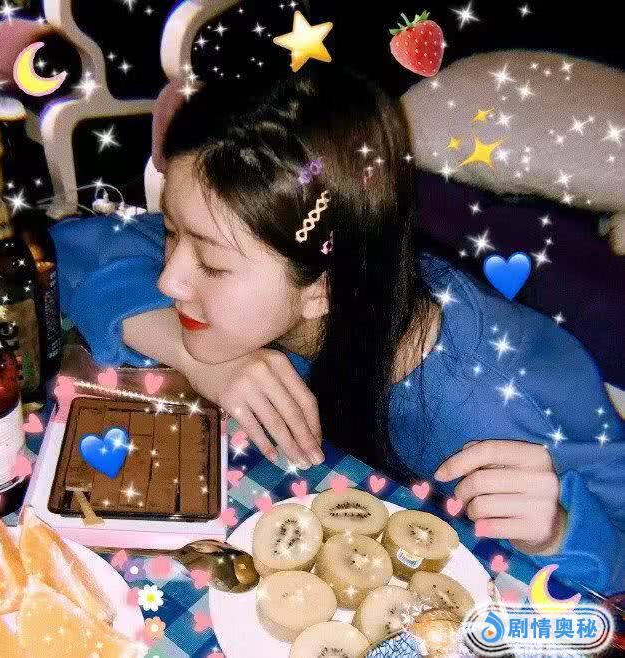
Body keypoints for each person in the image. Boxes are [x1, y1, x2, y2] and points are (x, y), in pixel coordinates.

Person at [51, 65, 625, 594]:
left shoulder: (501, 402)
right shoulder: (270, 242)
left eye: (213, 264)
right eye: (174, 233)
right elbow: (76, 246)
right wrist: (197, 356)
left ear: (324, 288)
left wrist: (562, 533)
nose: (170, 279)